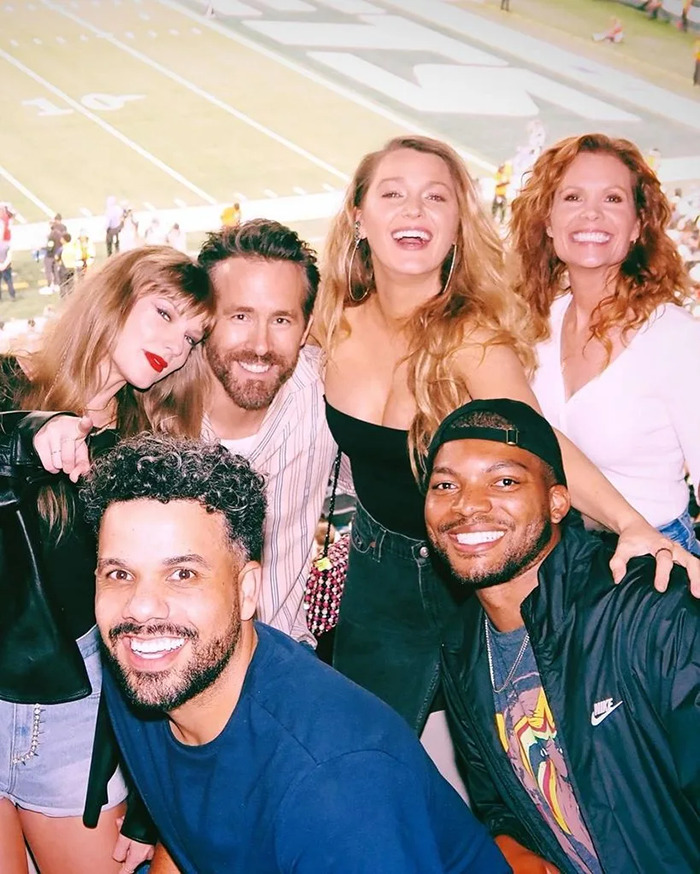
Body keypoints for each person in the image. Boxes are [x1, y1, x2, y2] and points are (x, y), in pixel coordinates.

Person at [314, 134, 699, 742]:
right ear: (358, 216)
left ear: (458, 224)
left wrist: (630, 524)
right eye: (394, 193)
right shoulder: (326, 321)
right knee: (359, 748)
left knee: (531, 763)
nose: (414, 211)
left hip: (485, 567)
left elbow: (540, 441)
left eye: (435, 197)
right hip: (375, 571)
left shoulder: (472, 336)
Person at [82, 433, 509, 874]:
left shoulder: (336, 786)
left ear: (247, 592)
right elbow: (186, 825)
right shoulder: (145, 670)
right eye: (119, 573)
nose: (141, 607)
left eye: (183, 573)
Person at [0, 247, 214, 874]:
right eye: (164, 313)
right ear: (115, 297)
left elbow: (162, 622)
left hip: (74, 711)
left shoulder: (144, 448)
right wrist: (27, 434)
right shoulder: (8, 382)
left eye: (192, 336)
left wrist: (151, 796)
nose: (176, 346)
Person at [425, 398, 700, 874]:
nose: (467, 505)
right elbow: (496, 803)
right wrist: (514, 850)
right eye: (445, 485)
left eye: (504, 481)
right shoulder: (463, 645)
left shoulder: (650, 613)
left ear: (556, 502)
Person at [511, 133, 700, 553]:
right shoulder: (533, 322)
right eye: (573, 197)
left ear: (637, 225)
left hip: (655, 560)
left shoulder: (677, 337)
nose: (591, 215)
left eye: (613, 199)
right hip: (554, 557)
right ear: (547, 221)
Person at [197, 220, 337, 645]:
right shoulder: (147, 410)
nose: (260, 344)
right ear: (204, 317)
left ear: (306, 326)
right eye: (240, 316)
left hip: (281, 660)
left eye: (281, 319)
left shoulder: (329, 394)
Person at [0, 236, 16, 301]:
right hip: (6, 267)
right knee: (9, 281)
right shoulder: (6, 245)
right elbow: (9, 257)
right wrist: (4, 265)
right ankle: (12, 296)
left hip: (3, 265)